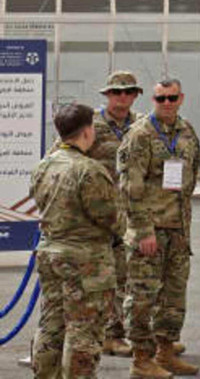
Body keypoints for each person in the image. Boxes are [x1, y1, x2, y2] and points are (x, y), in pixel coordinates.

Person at [117, 78, 200, 378]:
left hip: (178, 229)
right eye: (160, 98)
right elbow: (130, 188)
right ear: (152, 100)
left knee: (174, 296)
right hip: (150, 231)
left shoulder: (187, 131)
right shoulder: (140, 135)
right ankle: (141, 359)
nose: (166, 103)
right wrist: (143, 230)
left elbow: (192, 174)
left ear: (181, 98)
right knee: (142, 296)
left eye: (172, 98)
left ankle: (165, 352)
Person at [31, 103, 124, 379]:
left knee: (51, 325)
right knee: (84, 331)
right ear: (87, 131)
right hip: (85, 262)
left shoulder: (44, 165)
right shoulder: (89, 170)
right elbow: (110, 217)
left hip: (51, 254)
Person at [89, 71, 143, 358]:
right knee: (98, 277)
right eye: (117, 92)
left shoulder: (143, 125)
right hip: (98, 215)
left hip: (132, 214)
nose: (123, 97)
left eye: (128, 92)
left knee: (128, 276)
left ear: (135, 95)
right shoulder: (90, 126)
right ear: (107, 95)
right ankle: (101, 334)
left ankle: (118, 333)